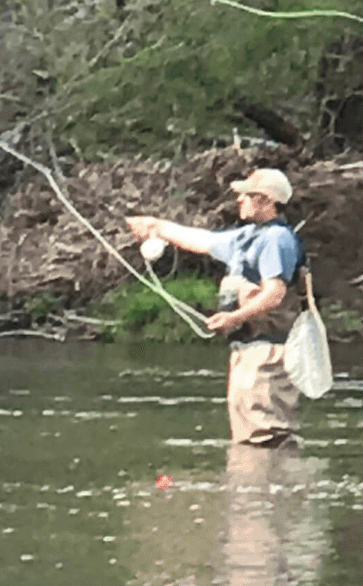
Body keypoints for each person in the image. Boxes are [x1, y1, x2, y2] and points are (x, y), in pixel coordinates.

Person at [125, 167, 306, 448]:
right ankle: (257, 488)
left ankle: (271, 488)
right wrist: (156, 226)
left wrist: (234, 316)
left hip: (269, 352)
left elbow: (274, 294)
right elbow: (202, 241)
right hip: (248, 351)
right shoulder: (247, 236)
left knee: (266, 437)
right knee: (249, 436)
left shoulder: (276, 239)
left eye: (247, 195)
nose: (239, 200)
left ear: (267, 201)